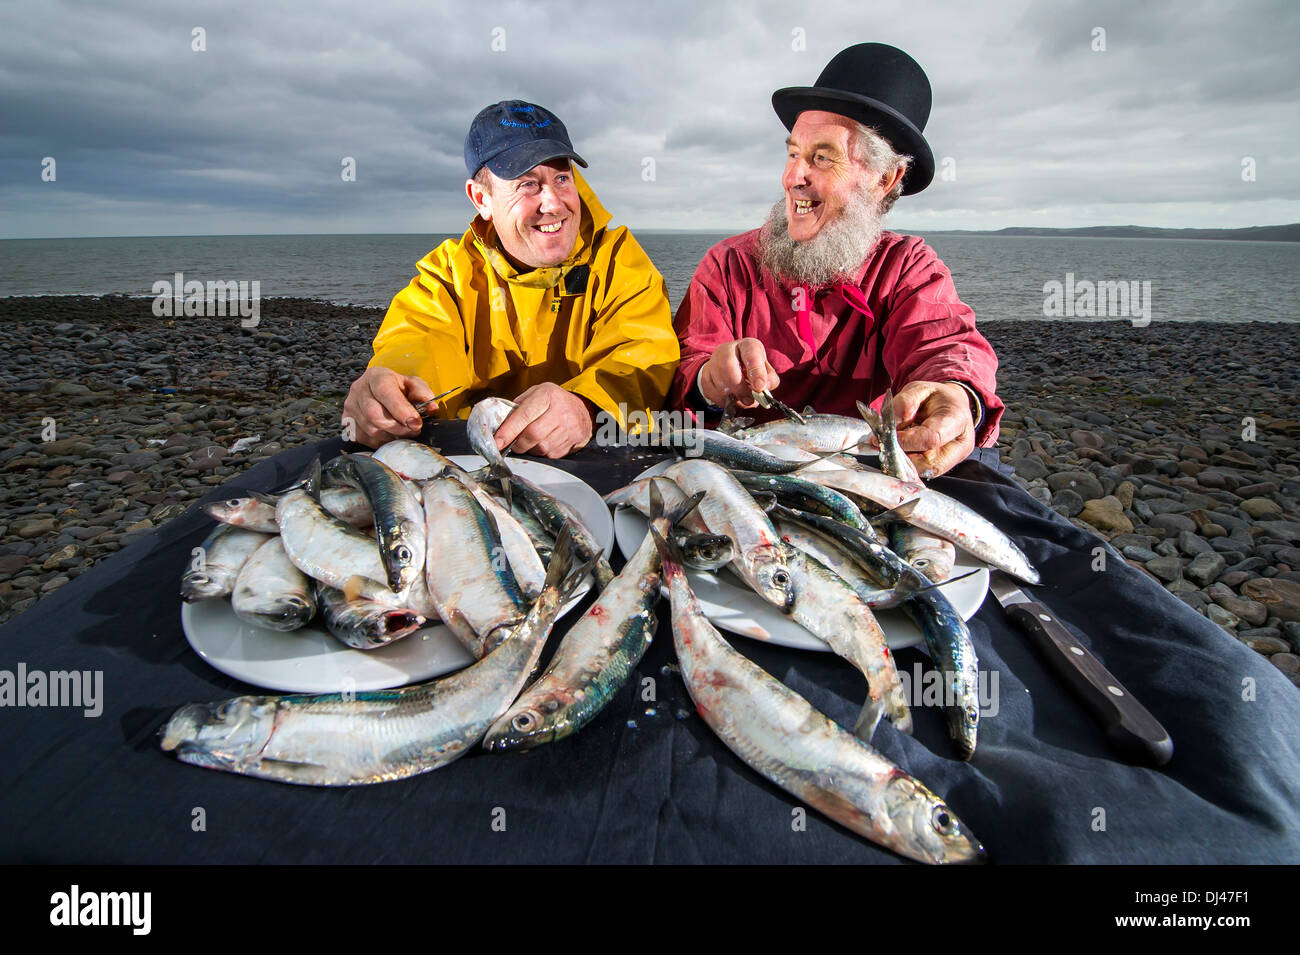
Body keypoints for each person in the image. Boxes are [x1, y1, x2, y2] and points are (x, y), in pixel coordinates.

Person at [668, 44, 1002, 478]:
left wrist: (955, 396)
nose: (793, 178)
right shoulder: (729, 264)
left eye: (821, 157)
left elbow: (944, 346)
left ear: (885, 179)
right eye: (792, 154)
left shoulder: (907, 267)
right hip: (748, 475)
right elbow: (683, 371)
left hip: (872, 475)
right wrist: (709, 380)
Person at [344, 100, 679, 458]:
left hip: (593, 458)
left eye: (562, 178)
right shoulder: (448, 275)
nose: (552, 203)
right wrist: (392, 390)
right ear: (481, 198)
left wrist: (587, 405)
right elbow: (418, 338)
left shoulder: (620, 261)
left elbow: (644, 355)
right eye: (527, 184)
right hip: (472, 461)